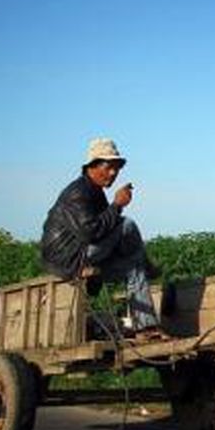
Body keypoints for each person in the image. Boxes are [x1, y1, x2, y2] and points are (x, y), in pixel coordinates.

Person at [40, 138, 167, 341]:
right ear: (92, 166)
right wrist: (117, 205)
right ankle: (148, 265)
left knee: (134, 269)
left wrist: (114, 209)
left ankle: (146, 328)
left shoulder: (95, 192)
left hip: (84, 252)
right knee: (126, 224)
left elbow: (105, 228)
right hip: (69, 257)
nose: (113, 173)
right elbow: (91, 232)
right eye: (108, 167)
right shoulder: (79, 192)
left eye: (117, 169)